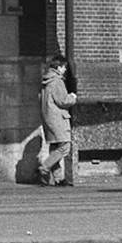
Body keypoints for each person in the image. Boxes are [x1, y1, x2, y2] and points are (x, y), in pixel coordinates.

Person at [36, 51, 76, 185]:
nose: (65, 70)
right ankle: (44, 168)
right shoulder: (57, 81)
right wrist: (72, 97)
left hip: (48, 117)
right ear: (59, 67)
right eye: (64, 67)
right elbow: (62, 101)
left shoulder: (46, 81)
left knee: (54, 146)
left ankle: (58, 178)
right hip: (58, 118)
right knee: (65, 146)